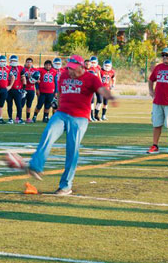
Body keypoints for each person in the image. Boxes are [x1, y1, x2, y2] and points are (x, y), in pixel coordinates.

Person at [22, 55, 117, 195]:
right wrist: (58, 108)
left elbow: (101, 90)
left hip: (79, 118)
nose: (70, 71)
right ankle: (36, 166)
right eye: (69, 68)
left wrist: (111, 97)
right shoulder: (64, 75)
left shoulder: (91, 78)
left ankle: (65, 186)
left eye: (73, 69)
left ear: (81, 67)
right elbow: (60, 93)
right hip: (62, 114)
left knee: (72, 151)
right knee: (48, 133)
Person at [6, 55, 26, 124]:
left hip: (17, 89)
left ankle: (19, 118)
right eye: (12, 60)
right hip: (8, 89)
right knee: (9, 104)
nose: (13, 62)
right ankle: (10, 118)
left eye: (15, 60)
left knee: (19, 105)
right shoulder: (7, 67)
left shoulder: (20, 68)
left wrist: (24, 87)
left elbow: (23, 78)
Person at [0, 55, 11, 124]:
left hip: (4, 88)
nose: (2, 62)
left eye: (3, 61)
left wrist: (10, 86)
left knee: (1, 104)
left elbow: (13, 76)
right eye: (0, 61)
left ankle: (0, 118)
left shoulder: (8, 68)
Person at [88, 56, 103, 121]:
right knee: (92, 101)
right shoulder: (88, 68)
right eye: (92, 62)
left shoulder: (98, 67)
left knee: (100, 100)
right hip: (91, 85)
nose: (93, 63)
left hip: (97, 85)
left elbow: (99, 75)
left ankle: (96, 114)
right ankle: (91, 116)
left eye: (94, 62)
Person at [23, 58, 37, 123]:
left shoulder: (34, 70)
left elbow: (38, 80)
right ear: (25, 63)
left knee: (29, 105)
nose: (29, 63)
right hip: (24, 89)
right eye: (27, 62)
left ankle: (28, 118)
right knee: (21, 104)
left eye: (30, 62)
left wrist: (34, 79)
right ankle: (18, 117)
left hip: (31, 89)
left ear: (32, 63)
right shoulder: (23, 69)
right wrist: (26, 77)